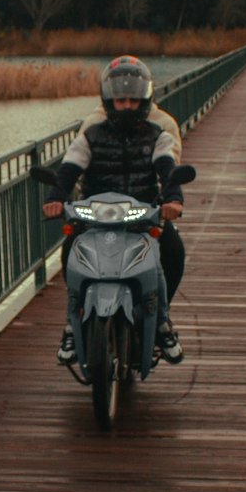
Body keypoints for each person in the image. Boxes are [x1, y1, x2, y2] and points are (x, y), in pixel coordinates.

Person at [42, 54, 186, 365]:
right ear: (109, 99)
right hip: (96, 214)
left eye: (134, 100)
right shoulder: (91, 132)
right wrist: (57, 195)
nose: (127, 106)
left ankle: (161, 320)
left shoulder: (158, 132)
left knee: (170, 252)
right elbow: (70, 167)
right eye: (120, 100)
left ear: (145, 98)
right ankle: (72, 322)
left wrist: (172, 197)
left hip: (142, 212)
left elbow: (167, 166)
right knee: (71, 254)